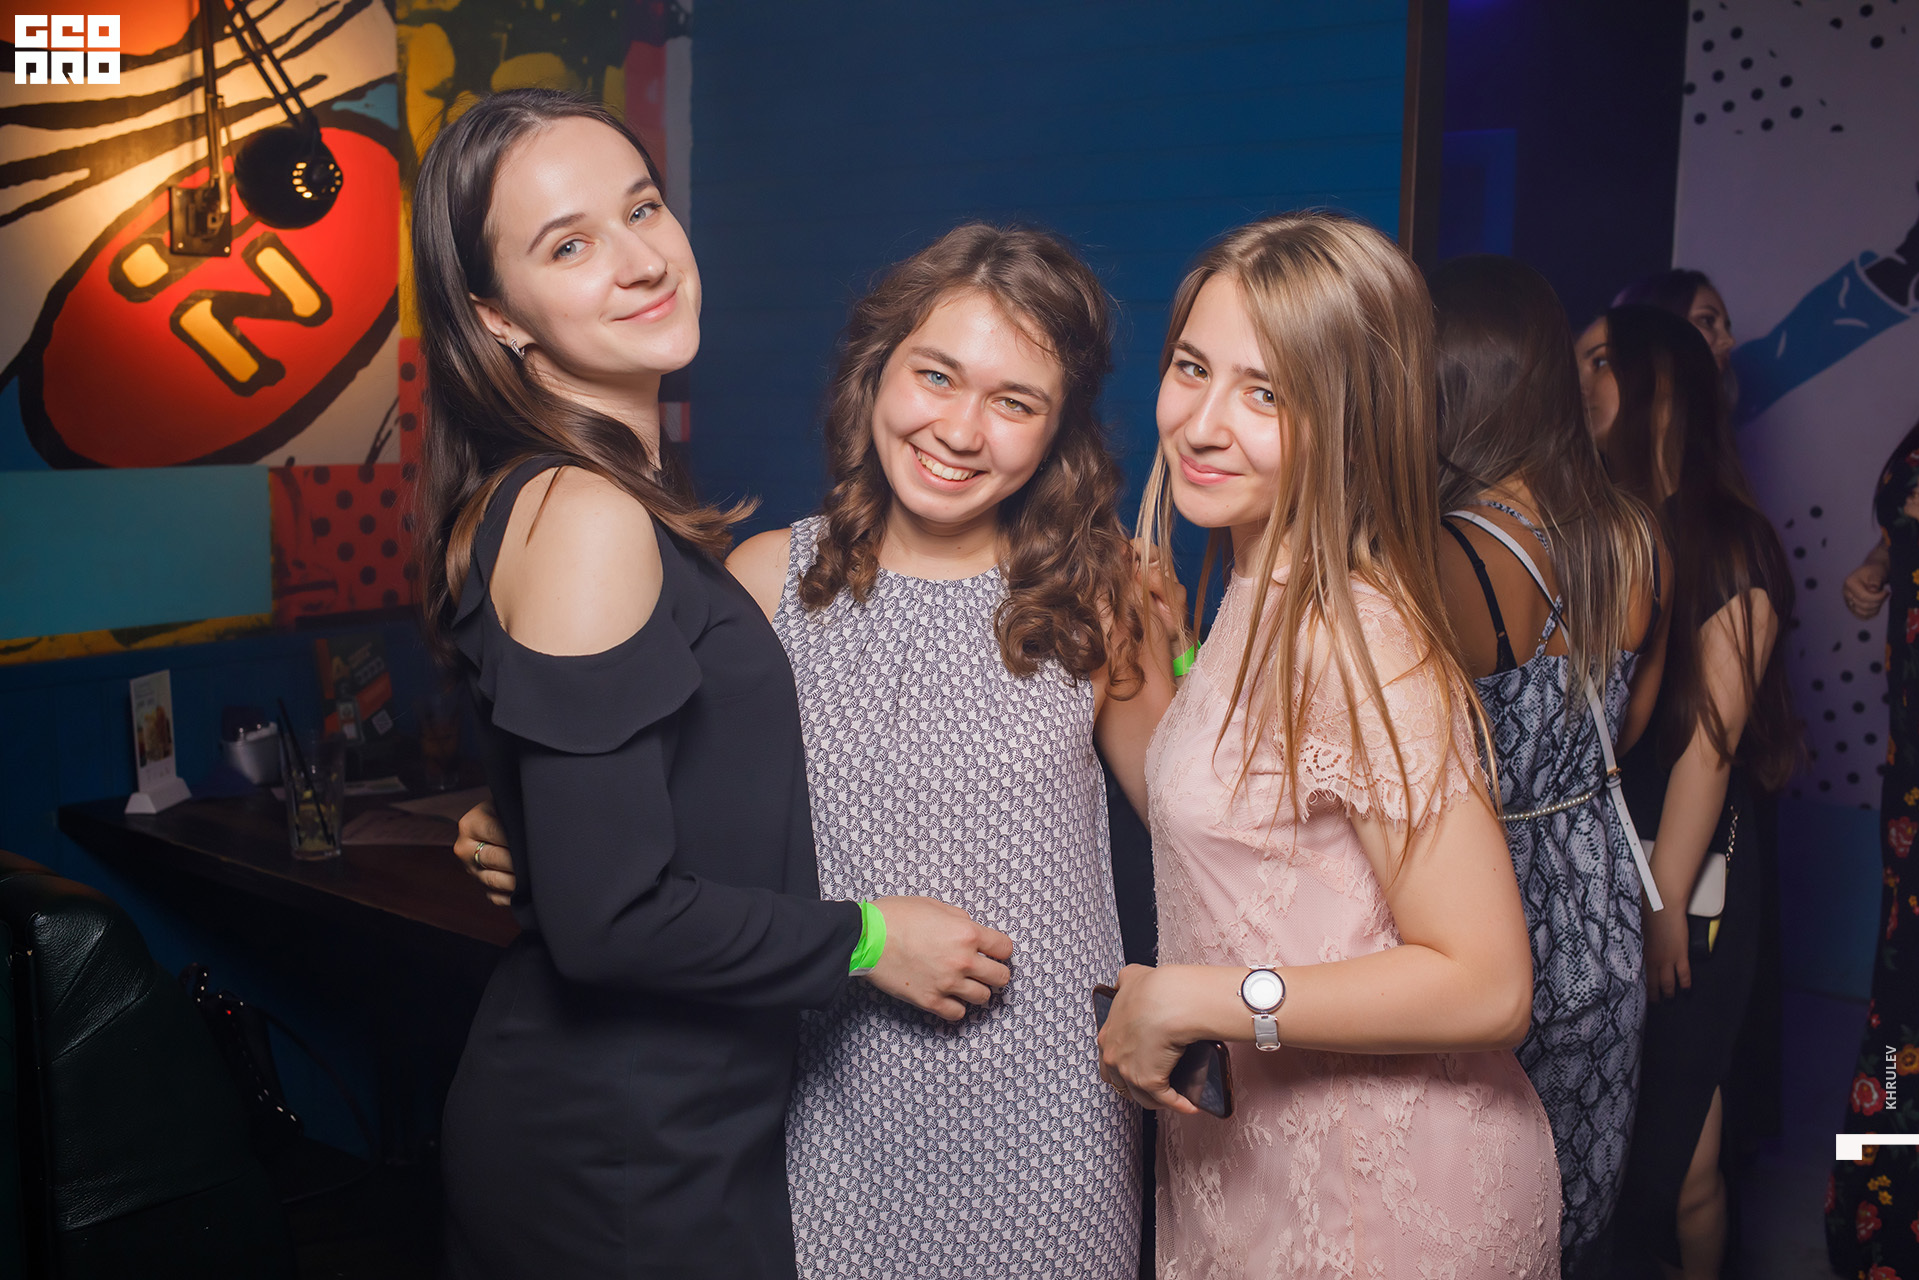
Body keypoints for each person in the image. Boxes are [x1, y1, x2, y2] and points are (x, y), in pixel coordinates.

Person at [456, 222, 1175, 1277]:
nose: (960, 429)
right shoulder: (762, 581)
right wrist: (525, 819)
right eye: (936, 375)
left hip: (1050, 1114)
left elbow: (1192, 828)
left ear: (1058, 430)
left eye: (1015, 402)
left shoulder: (1102, 595)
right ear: (877, 369)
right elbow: (640, 798)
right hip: (827, 1100)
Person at [411, 90, 1011, 1279]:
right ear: (496, 316)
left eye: (642, 208)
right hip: (624, 1154)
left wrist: (529, 820)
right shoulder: (581, 511)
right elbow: (609, 920)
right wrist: (869, 937)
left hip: (677, 1125)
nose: (640, 259)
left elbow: (615, 815)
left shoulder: (579, 493)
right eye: (568, 245)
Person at [1095, 213, 1561, 1278]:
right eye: (1192, 369)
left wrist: (1201, 998)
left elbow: (1490, 982)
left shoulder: (1356, 639)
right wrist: (1134, 660)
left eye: (1267, 393)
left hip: (1384, 1199)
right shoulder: (1254, 587)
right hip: (1264, 1160)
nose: (1203, 423)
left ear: (1350, 423)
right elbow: (1227, 827)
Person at [1430, 255, 1669, 1278]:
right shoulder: (1631, 536)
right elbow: (1629, 726)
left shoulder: (1445, 555)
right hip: (1603, 913)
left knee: (1475, 1220)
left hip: (1488, 918)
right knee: (1571, 1218)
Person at [1576, 304, 1797, 1280]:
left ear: (1658, 388)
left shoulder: (1731, 539)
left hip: (1693, 866)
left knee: (1683, 1161)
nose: (1580, 380)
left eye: (1599, 361)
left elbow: (1710, 750)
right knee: (1639, 1146)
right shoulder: (1605, 527)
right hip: (1612, 851)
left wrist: (1662, 905)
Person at [1826, 414, 1919, 1278]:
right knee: (1900, 999)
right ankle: (1876, 1199)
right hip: (1911, 772)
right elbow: (1904, 531)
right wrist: (1881, 565)